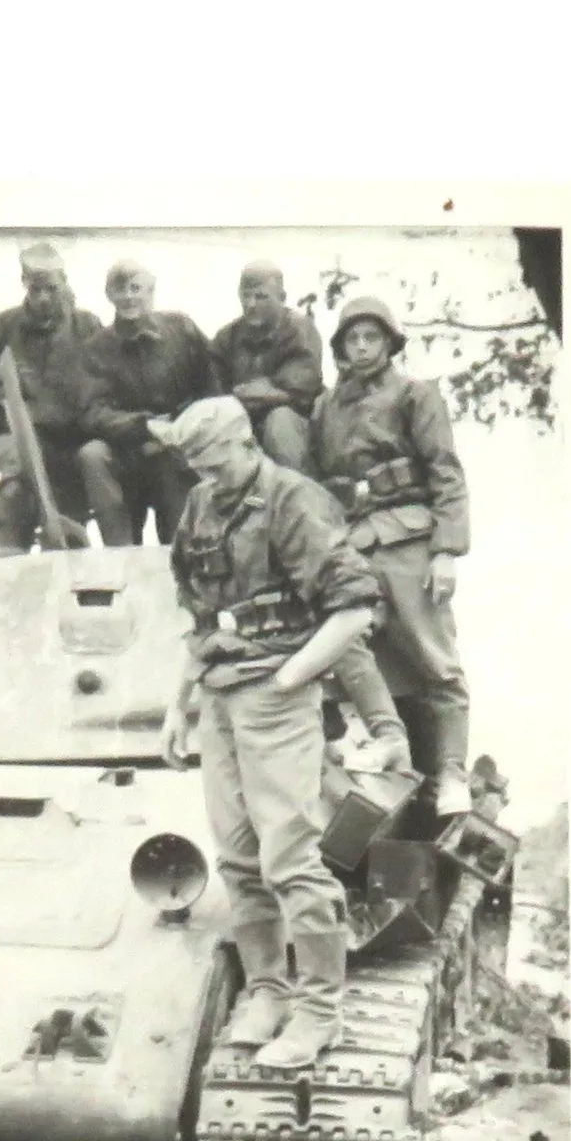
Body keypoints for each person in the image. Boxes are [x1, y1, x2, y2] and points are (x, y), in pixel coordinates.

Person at [155, 398, 383, 1071]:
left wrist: (290, 679)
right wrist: (178, 705)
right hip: (219, 695)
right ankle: (267, 990)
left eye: (213, 460)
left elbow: (355, 608)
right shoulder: (202, 504)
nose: (204, 474)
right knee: (236, 857)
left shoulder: (292, 499)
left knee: (291, 858)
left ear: (245, 442)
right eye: (195, 464)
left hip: (275, 697)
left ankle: (319, 1012)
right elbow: (198, 618)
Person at [309, 293, 474, 813]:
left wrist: (446, 552)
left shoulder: (415, 396)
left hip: (408, 541)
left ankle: (453, 774)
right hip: (353, 543)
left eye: (371, 337)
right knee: (348, 648)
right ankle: (383, 747)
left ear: (389, 342)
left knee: (435, 660)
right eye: (352, 339)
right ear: (341, 347)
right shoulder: (326, 408)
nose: (362, 347)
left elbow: (446, 473)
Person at [77, 258, 216, 545]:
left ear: (151, 291)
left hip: (177, 449)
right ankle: (119, 552)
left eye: (136, 288)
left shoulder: (181, 329)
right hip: (127, 452)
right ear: (109, 295)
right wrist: (143, 426)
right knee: (92, 454)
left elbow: (212, 388)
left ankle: (182, 555)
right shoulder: (97, 348)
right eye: (120, 289)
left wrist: (180, 431)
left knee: (179, 542)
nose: (128, 297)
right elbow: (92, 412)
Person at [0, 242, 101, 552]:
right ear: (24, 283)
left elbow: (105, 383)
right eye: (35, 289)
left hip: (70, 439)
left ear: (64, 282)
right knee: (11, 495)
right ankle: (3, 560)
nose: (43, 297)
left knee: (67, 525)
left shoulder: (87, 326)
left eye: (51, 288)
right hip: (16, 434)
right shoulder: (2, 327)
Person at [210, 261, 326, 471]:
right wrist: (261, 392)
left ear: (281, 297)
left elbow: (299, 393)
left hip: (295, 428)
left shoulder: (299, 330)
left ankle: (295, 487)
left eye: (261, 296)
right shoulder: (227, 337)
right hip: (241, 424)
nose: (251, 304)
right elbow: (215, 396)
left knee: (279, 420)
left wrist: (248, 394)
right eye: (245, 296)